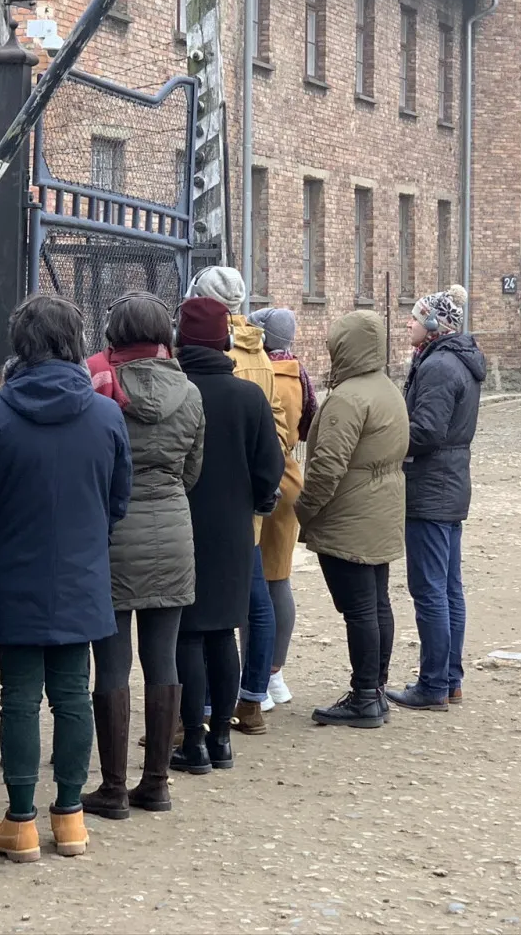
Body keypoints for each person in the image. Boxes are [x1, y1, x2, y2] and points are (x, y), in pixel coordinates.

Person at [0, 295, 129, 864]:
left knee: (18, 696)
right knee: (72, 695)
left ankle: (21, 820)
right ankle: (71, 817)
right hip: (81, 569)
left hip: (13, 569)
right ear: (74, 341)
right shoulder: (106, 415)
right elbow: (118, 499)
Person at [80, 291, 203, 819]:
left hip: (112, 531)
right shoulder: (190, 393)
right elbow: (192, 469)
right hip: (173, 529)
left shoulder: (97, 387)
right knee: (163, 658)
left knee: (111, 663)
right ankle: (156, 782)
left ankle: (113, 786)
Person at [170, 297, 282, 774]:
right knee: (223, 634)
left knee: (188, 635)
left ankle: (192, 740)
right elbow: (270, 466)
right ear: (224, 339)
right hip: (234, 527)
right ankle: (221, 739)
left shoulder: (175, 391)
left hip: (180, 524)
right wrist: (257, 500)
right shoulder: (248, 397)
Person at [187, 267, 291, 736]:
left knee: (198, 620)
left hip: (196, 504)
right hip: (241, 504)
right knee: (251, 601)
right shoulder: (260, 357)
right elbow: (274, 431)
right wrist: (260, 488)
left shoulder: (193, 370)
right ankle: (249, 702)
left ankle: (200, 714)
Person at [293, 310, 411, 726]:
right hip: (381, 508)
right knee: (377, 604)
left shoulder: (347, 398)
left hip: (350, 514)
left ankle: (363, 697)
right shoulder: (386, 388)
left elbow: (327, 466)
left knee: (360, 609)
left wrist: (303, 509)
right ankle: (374, 689)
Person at [390, 286, 483, 711]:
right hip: (449, 482)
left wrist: (388, 438)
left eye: (415, 316)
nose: (408, 322)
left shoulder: (439, 366)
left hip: (431, 486)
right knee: (447, 588)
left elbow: (427, 430)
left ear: (433, 323)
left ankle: (433, 684)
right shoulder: (454, 360)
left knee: (431, 589)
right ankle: (449, 679)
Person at [248, 307, 316, 712]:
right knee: (279, 580)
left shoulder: (256, 372)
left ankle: (253, 677)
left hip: (258, 478)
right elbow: (307, 427)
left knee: (252, 584)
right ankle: (276, 675)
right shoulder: (299, 374)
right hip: (289, 475)